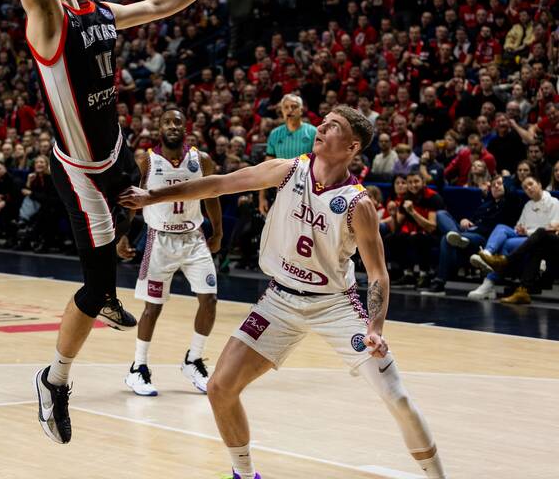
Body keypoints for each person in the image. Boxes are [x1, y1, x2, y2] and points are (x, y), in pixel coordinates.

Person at [0, 0, 262, 445]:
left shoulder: (101, 12)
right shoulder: (44, 23)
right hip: (78, 169)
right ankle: (54, 380)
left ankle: (110, 285)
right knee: (98, 284)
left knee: (132, 214)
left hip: (117, 151)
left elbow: (159, 5)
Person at [121, 106, 446, 479]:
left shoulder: (359, 204)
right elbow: (219, 184)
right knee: (220, 388)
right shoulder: (288, 169)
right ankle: (244, 474)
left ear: (353, 146)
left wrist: (376, 328)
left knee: (398, 397)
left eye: (333, 126)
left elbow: (377, 275)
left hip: (334, 304)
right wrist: (151, 197)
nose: (321, 127)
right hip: (280, 299)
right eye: (323, 121)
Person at [116, 109, 222, 396]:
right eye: (168, 122)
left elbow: (212, 195)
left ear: (185, 127)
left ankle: (194, 360)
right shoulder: (147, 161)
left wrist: (218, 231)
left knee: (209, 300)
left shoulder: (201, 160)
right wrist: (123, 234)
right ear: (159, 127)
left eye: (178, 121)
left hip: (194, 238)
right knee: (153, 307)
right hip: (159, 239)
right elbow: (131, 200)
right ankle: (138, 368)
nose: (173, 126)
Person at [467, 175, 559, 300]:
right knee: (501, 227)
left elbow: (551, 228)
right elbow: (518, 226)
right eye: (525, 188)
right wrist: (520, 229)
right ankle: (487, 254)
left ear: (540, 184)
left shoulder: (554, 202)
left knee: (506, 244)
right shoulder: (528, 205)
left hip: (537, 239)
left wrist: (527, 231)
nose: (528, 188)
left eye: (531, 184)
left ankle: (489, 283)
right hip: (524, 236)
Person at [259, 94, 316, 216]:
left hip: (307, 190)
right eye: (286, 107)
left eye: (294, 106)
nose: (290, 110)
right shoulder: (275, 134)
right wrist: (261, 197)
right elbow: (267, 166)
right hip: (280, 189)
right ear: (282, 110)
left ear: (301, 110)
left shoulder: (313, 132)